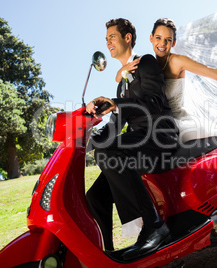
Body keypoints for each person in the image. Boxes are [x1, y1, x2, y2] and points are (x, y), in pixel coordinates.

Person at [85, 18, 178, 260]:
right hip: (139, 141)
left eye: (112, 37)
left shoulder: (146, 62)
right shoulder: (121, 86)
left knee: (108, 153)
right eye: (106, 39)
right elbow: (117, 126)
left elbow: (154, 102)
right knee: (95, 196)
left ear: (127, 38)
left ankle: (154, 225)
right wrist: (88, 133)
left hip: (160, 137)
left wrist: (118, 103)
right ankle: (108, 252)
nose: (108, 43)